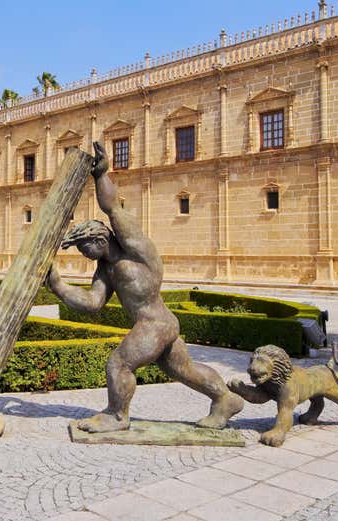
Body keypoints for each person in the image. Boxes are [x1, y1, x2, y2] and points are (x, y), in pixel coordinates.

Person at [47, 142, 243, 433]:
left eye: (83, 247)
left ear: (100, 240)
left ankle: (117, 416)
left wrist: (101, 176)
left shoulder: (136, 249)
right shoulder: (106, 269)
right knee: (184, 370)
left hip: (154, 324)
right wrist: (58, 285)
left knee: (119, 364)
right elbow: (92, 303)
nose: (83, 254)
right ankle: (225, 398)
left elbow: (112, 208)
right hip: (161, 324)